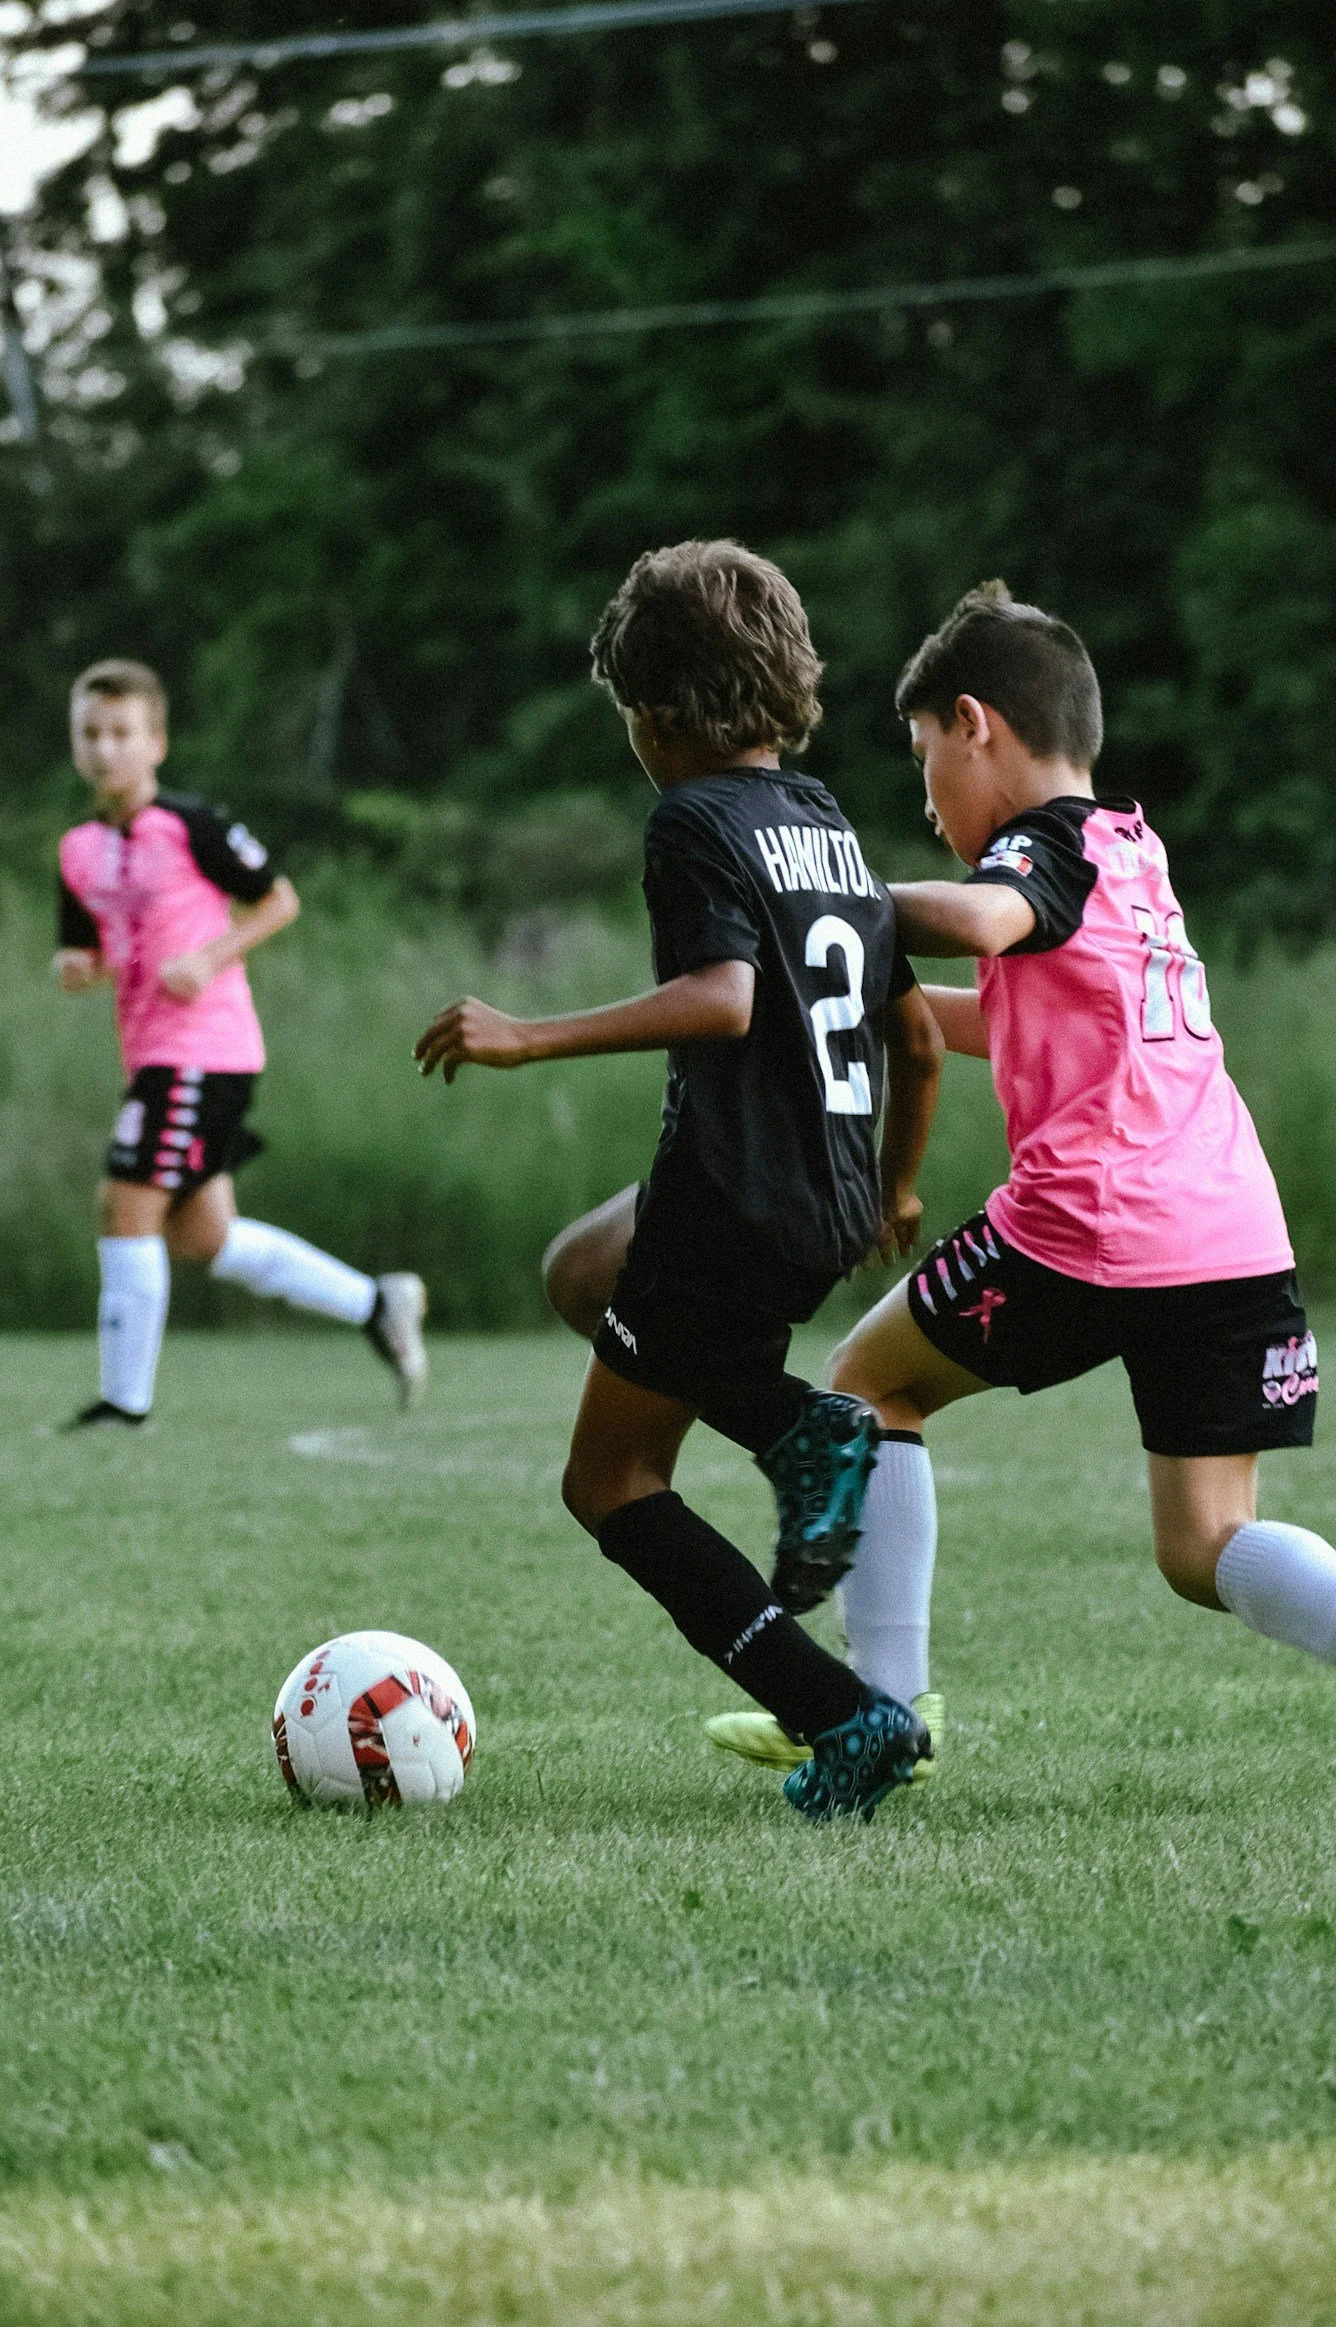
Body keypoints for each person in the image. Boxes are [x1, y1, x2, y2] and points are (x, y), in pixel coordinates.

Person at [720, 581, 1336, 1803]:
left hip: (1095, 1228)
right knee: (1203, 1545)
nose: (924, 798)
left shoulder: (1042, 847)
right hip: (1230, 1233)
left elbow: (981, 917)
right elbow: (1012, 1012)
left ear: (978, 725)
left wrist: (819, 899)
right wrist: (850, 1003)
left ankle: (876, 1713)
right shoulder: (1132, 847)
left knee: (868, 1382)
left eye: (922, 762)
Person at [416, 541, 946, 1820]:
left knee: (610, 1485)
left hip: (733, 1201)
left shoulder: (691, 820)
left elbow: (723, 1001)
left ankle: (844, 1715)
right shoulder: (822, 820)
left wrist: (527, 1033)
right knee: (582, 1271)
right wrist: (895, 1188)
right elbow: (919, 1037)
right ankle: (787, 1425)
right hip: (818, 1193)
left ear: (658, 716)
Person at [54, 658, 425, 1426]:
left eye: (122, 732)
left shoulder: (194, 825)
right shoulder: (78, 849)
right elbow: (90, 948)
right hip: (150, 1053)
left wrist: (209, 956)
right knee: (200, 1235)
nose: (104, 749)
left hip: (203, 1048)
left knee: (124, 1206)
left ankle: (124, 1407)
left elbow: (278, 901)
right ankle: (374, 1303)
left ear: (156, 742)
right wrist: (78, 967)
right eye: (90, 733)